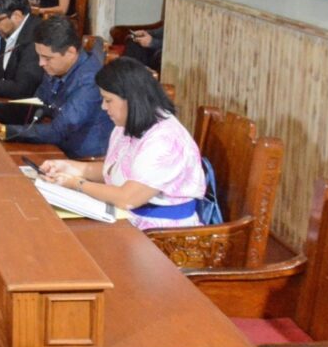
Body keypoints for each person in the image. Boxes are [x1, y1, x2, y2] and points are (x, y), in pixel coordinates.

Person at [41, 57, 206, 230]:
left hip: (159, 231)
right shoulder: (129, 123)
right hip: (125, 217)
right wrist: (69, 167)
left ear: (131, 99)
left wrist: (77, 184)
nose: (104, 107)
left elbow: (128, 198)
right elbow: (115, 171)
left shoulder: (165, 140)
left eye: (108, 100)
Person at [0, 16, 113, 159]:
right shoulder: (57, 66)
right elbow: (39, 103)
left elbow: (59, 130)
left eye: (47, 58)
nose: (41, 63)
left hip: (80, 158)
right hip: (56, 145)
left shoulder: (90, 81)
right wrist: (0, 116)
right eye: (39, 56)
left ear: (70, 52)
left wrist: (4, 129)